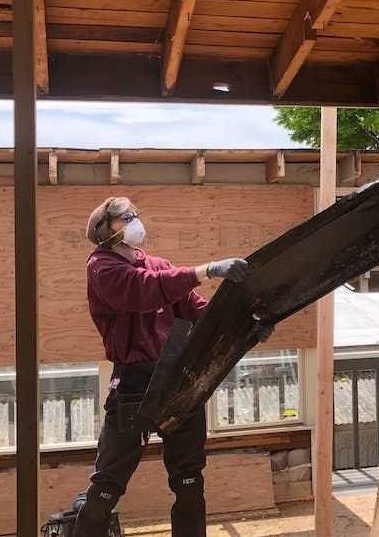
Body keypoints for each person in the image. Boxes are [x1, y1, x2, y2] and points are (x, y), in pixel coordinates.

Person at [74, 196, 270, 536]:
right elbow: (143, 291)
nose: (135, 222)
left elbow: (201, 313)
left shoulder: (159, 265)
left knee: (189, 481)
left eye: (136, 215)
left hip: (178, 379)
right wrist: (207, 270)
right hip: (134, 384)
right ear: (105, 230)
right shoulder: (101, 268)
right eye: (125, 218)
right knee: (108, 484)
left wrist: (248, 325)